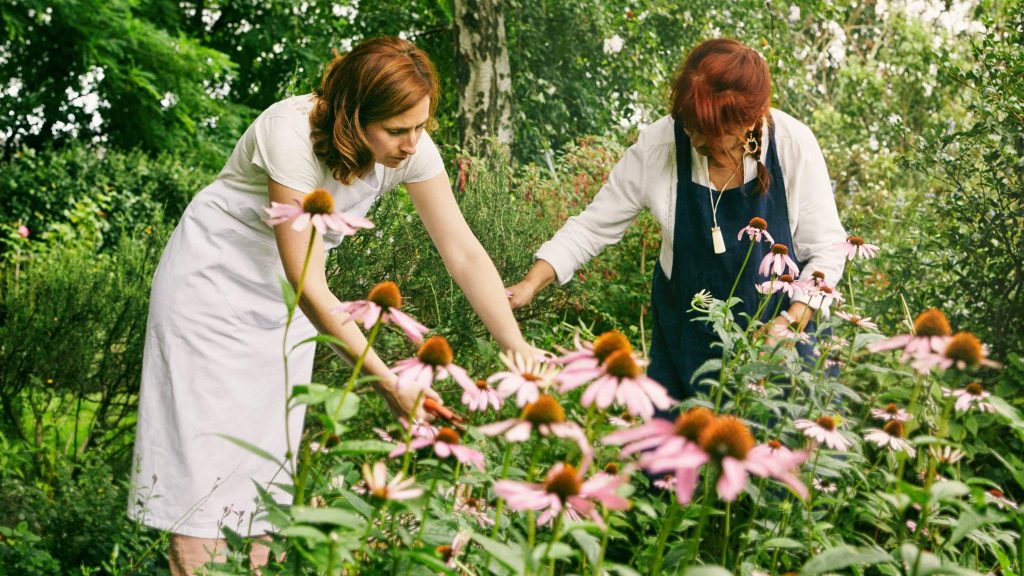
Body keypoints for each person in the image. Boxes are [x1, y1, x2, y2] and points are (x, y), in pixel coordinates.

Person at [128, 37, 532, 575]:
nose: (412, 143)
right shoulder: (290, 132)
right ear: (352, 116)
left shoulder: (412, 148)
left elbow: (462, 253)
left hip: (284, 305)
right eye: (397, 130)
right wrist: (387, 382)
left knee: (264, 482)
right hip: (211, 291)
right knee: (202, 478)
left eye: (421, 126)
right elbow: (308, 280)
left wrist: (517, 347)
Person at [507, 38, 847, 401]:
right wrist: (531, 282)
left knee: (784, 447)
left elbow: (826, 250)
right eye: (689, 124)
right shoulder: (658, 146)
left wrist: (792, 321)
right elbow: (592, 227)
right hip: (687, 343)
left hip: (781, 347)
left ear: (748, 121)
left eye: (711, 131)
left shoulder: (793, 145)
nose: (695, 138)